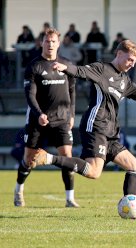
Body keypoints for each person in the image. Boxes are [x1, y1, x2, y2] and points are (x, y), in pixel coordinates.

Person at [28, 40, 136, 203]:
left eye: (135, 62)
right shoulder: (101, 69)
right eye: (130, 60)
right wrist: (65, 68)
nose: (132, 65)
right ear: (119, 54)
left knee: (135, 167)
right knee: (95, 172)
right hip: (95, 126)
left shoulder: (125, 81)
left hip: (111, 132)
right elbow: (81, 71)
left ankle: (130, 205)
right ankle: (48, 158)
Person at [15, 28, 79, 208]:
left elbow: (72, 91)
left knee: (67, 156)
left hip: (62, 118)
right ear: (41, 43)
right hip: (38, 119)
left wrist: (72, 114)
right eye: (47, 41)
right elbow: (30, 95)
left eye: (53, 41)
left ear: (58, 44)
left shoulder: (67, 64)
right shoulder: (34, 66)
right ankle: (19, 189)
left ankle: (69, 199)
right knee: (30, 159)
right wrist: (39, 114)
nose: (50, 44)